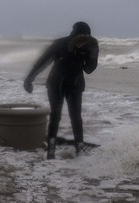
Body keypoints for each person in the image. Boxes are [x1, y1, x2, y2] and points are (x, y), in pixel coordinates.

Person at [23, 22, 99, 159]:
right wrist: (29, 78)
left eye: (85, 40)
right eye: (80, 39)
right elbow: (43, 61)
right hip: (55, 84)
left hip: (75, 86)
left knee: (76, 117)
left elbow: (88, 69)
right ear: (74, 36)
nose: (82, 43)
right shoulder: (60, 44)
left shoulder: (89, 46)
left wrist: (93, 55)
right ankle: (50, 152)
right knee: (55, 116)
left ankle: (79, 150)